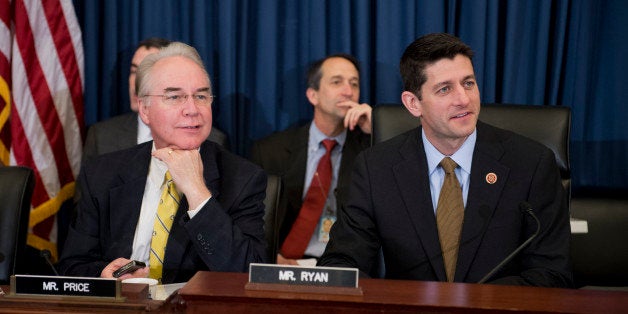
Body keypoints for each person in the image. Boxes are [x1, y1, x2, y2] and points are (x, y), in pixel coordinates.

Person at [318, 33, 573, 287]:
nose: (463, 99)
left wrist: (478, 302)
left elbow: (552, 273)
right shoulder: (376, 169)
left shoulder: (530, 164)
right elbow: (339, 264)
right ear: (413, 104)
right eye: (445, 89)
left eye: (469, 83)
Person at [58, 42, 267, 284]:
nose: (192, 109)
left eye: (201, 96)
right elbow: (72, 266)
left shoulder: (243, 178)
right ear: (145, 110)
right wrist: (103, 275)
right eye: (175, 97)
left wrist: (197, 193)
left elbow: (250, 275)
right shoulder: (102, 173)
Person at [250, 54, 372, 265]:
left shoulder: (370, 152)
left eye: (354, 84)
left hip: (346, 267)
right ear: (312, 95)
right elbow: (252, 220)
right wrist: (270, 258)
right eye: (337, 82)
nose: (348, 91)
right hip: (283, 263)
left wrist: (377, 132)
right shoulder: (270, 151)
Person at [82, 38, 228, 164]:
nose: (136, 83)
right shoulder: (101, 136)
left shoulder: (213, 140)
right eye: (134, 71)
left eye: (148, 73)